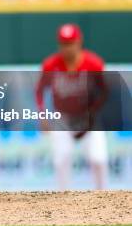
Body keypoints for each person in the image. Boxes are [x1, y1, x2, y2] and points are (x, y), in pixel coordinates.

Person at [35, 23, 109, 190]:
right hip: (63, 117)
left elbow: (105, 91)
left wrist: (94, 110)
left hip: (87, 117)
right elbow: (39, 91)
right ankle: (65, 202)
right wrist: (42, 115)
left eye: (70, 43)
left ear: (79, 42)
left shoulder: (93, 64)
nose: (67, 48)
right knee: (61, 160)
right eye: (63, 44)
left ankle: (104, 198)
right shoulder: (50, 65)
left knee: (98, 159)